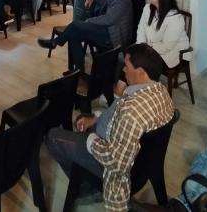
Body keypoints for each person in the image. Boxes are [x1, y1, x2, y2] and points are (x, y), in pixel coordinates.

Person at [46, 44, 175, 212]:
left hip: (112, 160)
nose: (123, 69)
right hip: (141, 157)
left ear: (141, 72)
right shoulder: (160, 91)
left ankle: (84, 185)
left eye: (127, 66)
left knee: (53, 136)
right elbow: (117, 111)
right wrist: (96, 118)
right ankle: (84, 173)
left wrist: (91, 140)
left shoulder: (131, 112)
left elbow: (116, 163)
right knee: (82, 119)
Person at [37, 0, 133, 72]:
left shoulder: (122, 1)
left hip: (112, 37)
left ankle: (55, 42)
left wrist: (89, 21)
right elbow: (107, 1)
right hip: (108, 30)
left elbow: (108, 20)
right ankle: (78, 70)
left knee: (75, 25)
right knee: (74, 35)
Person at [136, 0, 189, 68]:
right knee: (129, 56)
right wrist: (141, 44)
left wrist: (146, 49)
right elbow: (141, 28)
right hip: (149, 47)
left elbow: (167, 46)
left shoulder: (175, 18)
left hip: (170, 53)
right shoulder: (147, 8)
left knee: (139, 63)